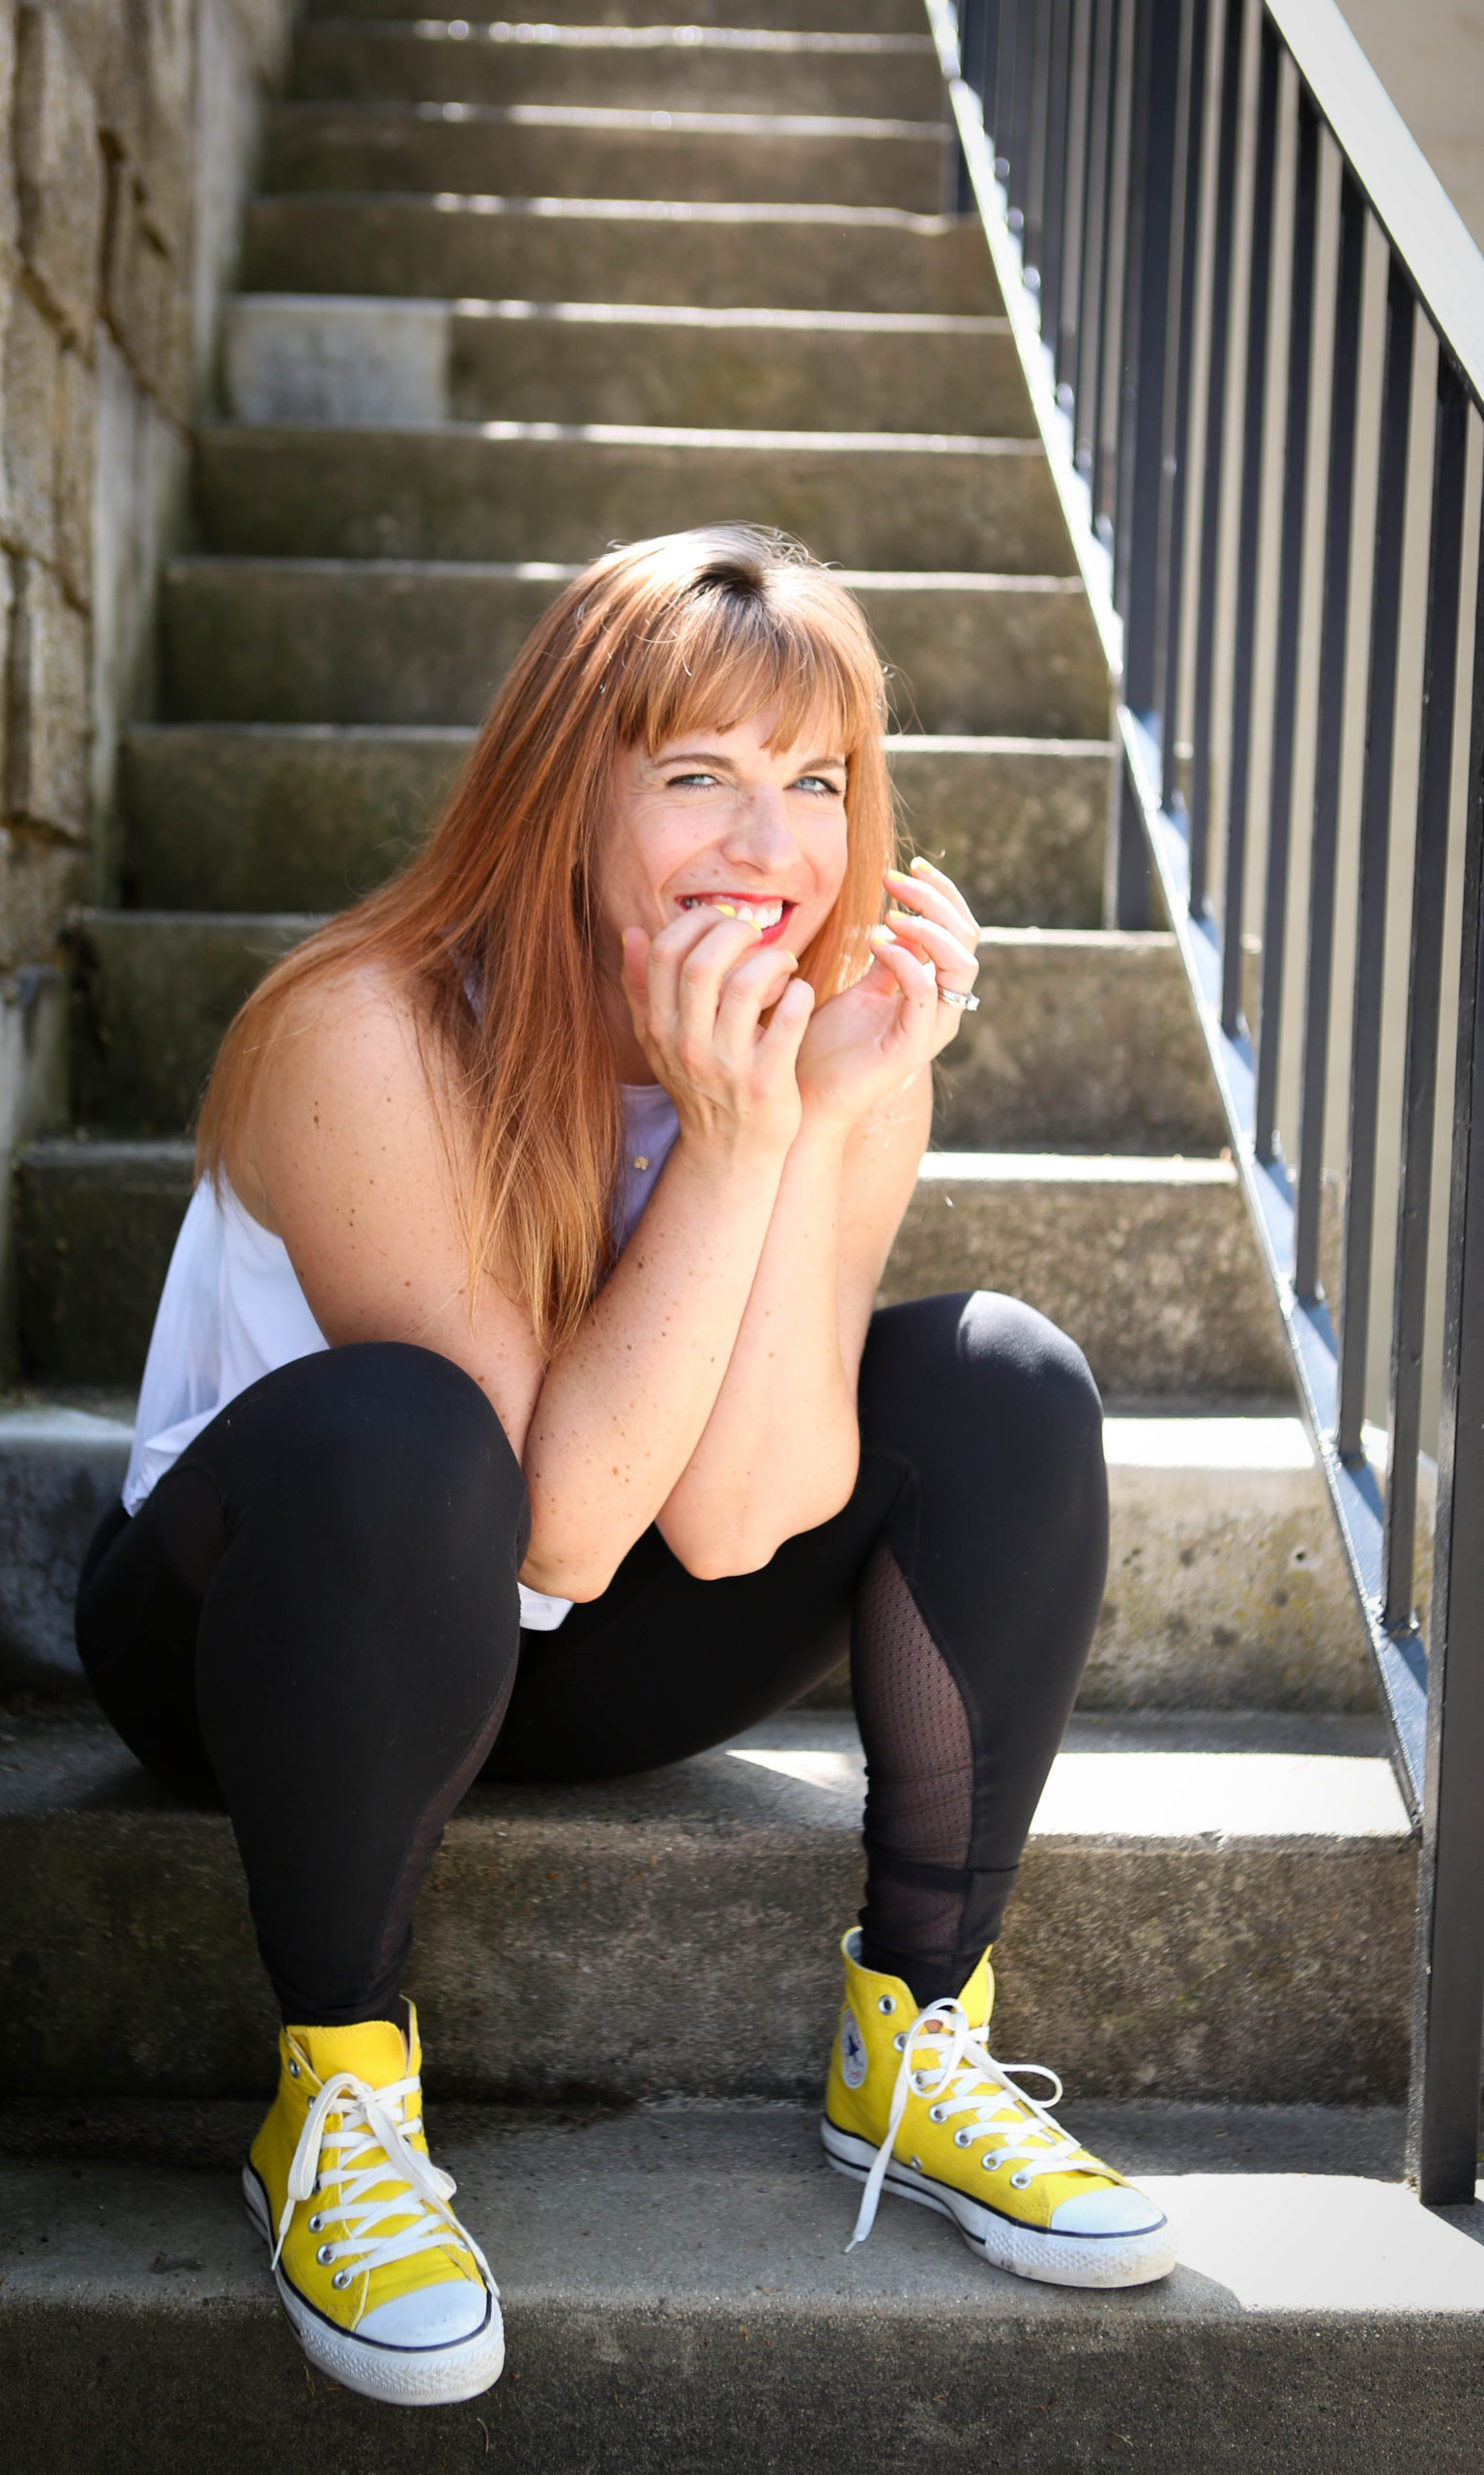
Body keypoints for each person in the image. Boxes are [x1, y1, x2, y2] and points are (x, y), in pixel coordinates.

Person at [75, 525, 1174, 2410]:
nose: (769, 848)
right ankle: (333, 2099)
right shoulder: (365, 1028)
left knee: (997, 1375)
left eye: (813, 784)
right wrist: (744, 1153)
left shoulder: (821, 1040)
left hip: (567, 1638)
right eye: (696, 778)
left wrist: (804, 1123)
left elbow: (737, 1518)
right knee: (407, 1420)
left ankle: (909, 2032)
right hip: (282, 1636)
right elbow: (544, 1521)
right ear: (562, 793)